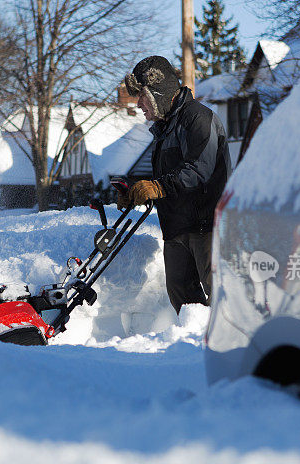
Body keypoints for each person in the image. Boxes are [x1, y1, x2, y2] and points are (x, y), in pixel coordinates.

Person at [119, 55, 232, 313]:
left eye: (142, 96)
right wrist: (137, 191)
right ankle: (191, 352)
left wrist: (158, 187)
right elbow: (165, 177)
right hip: (176, 229)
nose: (138, 104)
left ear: (158, 92)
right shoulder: (164, 128)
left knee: (224, 303)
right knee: (185, 304)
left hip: (208, 228)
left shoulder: (198, 118)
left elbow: (200, 168)